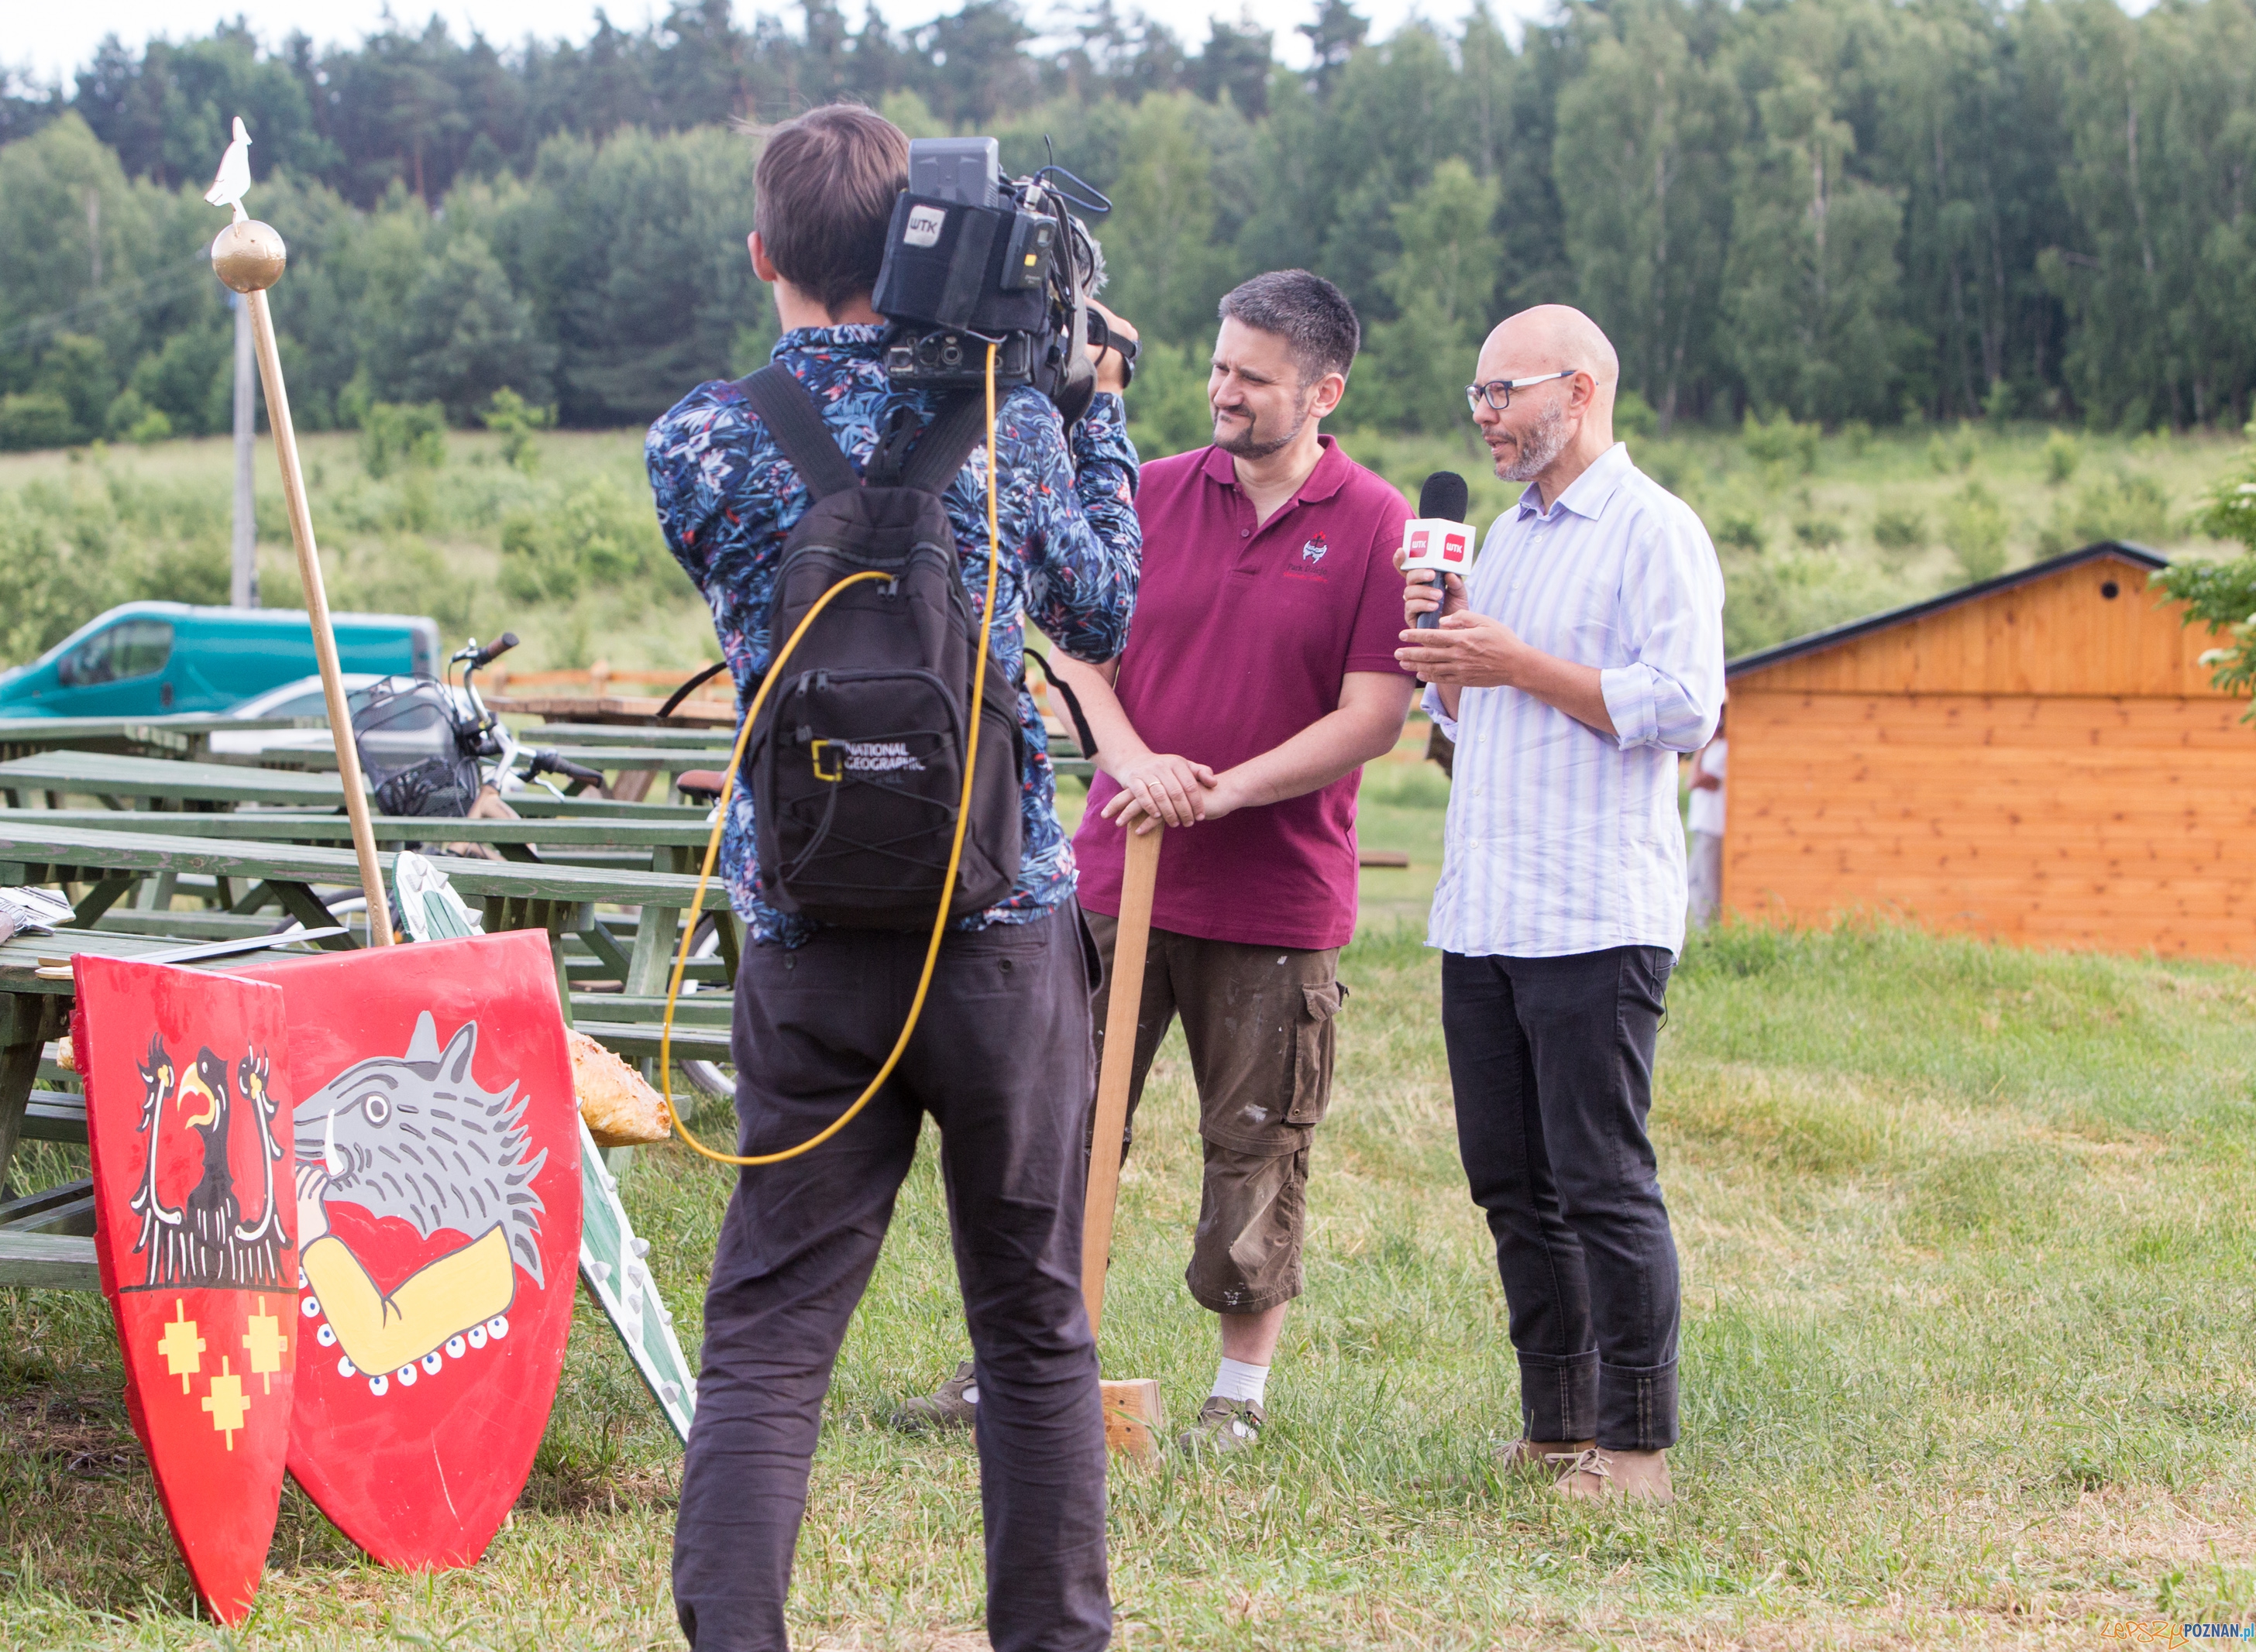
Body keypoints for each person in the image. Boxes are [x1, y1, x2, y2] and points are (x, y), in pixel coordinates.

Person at [645, 104, 1142, 1651]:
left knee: (770, 1334)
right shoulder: (1015, 417)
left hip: (802, 935)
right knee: (1034, 1325)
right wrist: (1093, 403)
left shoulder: (699, 441)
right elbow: (1104, 606)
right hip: (995, 936)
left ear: (764, 254)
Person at [893, 271, 1416, 1453]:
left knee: (1258, 1140)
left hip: (1276, 896)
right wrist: (1136, 761)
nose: (1222, 392)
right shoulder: (1153, 492)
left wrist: (1222, 790)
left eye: (1254, 377)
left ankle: (1236, 1401)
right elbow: (1080, 652)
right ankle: (1013, 1362)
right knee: (1053, 1122)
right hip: (1115, 877)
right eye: (1220, 365)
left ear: (1324, 391)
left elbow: (1373, 714)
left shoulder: (1376, 522)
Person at [1395, 305, 1723, 1505]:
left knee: (1601, 1180)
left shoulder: (1653, 531)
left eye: (1505, 392)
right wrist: (1445, 670)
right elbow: (1487, 713)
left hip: (1595, 908)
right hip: (1486, 908)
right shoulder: (1502, 541)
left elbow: (1686, 704)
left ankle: (1635, 1453)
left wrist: (1510, 662)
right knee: (1510, 1181)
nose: (1483, 415)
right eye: (1476, 395)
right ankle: (1555, 1425)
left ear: (1579, 391)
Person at [1687, 716, 1727, 926]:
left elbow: (1694, 781)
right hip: (1701, 823)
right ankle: (1702, 928)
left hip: (1713, 825)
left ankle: (1710, 931)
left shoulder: (1724, 750)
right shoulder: (1717, 748)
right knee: (1693, 879)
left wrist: (1700, 750)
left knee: (1708, 883)